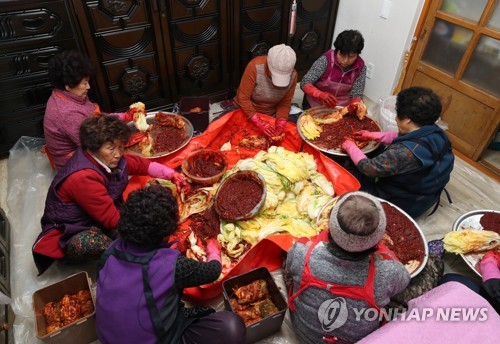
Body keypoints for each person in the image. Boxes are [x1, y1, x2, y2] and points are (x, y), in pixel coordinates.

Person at [32, 115, 189, 275]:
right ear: (93, 147)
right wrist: (150, 233)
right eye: (111, 148)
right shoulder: (83, 178)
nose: (118, 154)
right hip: (73, 230)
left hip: (95, 215)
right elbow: (112, 220)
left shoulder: (104, 157)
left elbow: (137, 164)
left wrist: (171, 174)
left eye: (121, 147)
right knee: (97, 243)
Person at [96, 185, 246, 344]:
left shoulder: (110, 251)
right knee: (231, 327)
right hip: (159, 339)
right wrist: (213, 250)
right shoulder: (173, 266)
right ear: (167, 231)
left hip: (108, 338)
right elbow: (213, 271)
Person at [285, 191, 410, 343]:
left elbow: (289, 269)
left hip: (305, 336)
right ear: (379, 238)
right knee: (429, 269)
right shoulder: (389, 272)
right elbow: (404, 281)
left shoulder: (301, 253)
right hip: (356, 340)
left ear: (330, 225)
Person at [341, 86, 454, 218]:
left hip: (406, 203)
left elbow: (369, 168)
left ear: (407, 119)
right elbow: (408, 138)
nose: (395, 118)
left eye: (397, 115)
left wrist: (350, 146)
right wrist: (374, 135)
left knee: (350, 171)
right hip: (427, 193)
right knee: (378, 150)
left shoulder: (405, 153)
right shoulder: (435, 131)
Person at [43, 50, 128, 169]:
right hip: (74, 163)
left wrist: (123, 116)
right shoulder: (67, 114)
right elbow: (95, 145)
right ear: (68, 85)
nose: (88, 87)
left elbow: (96, 116)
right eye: (85, 83)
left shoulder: (71, 93)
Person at [235, 44, 298, 139]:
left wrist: (281, 122)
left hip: (271, 113)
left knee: (296, 131)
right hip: (247, 110)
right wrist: (257, 121)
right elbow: (243, 98)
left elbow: (285, 103)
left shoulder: (294, 75)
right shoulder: (254, 66)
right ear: (268, 64)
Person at [300, 29, 366, 110]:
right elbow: (304, 83)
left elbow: (357, 94)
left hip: (341, 107)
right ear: (336, 50)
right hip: (316, 103)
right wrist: (320, 95)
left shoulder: (361, 67)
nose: (345, 61)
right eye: (341, 55)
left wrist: (355, 104)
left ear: (357, 54)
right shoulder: (325, 60)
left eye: (351, 56)